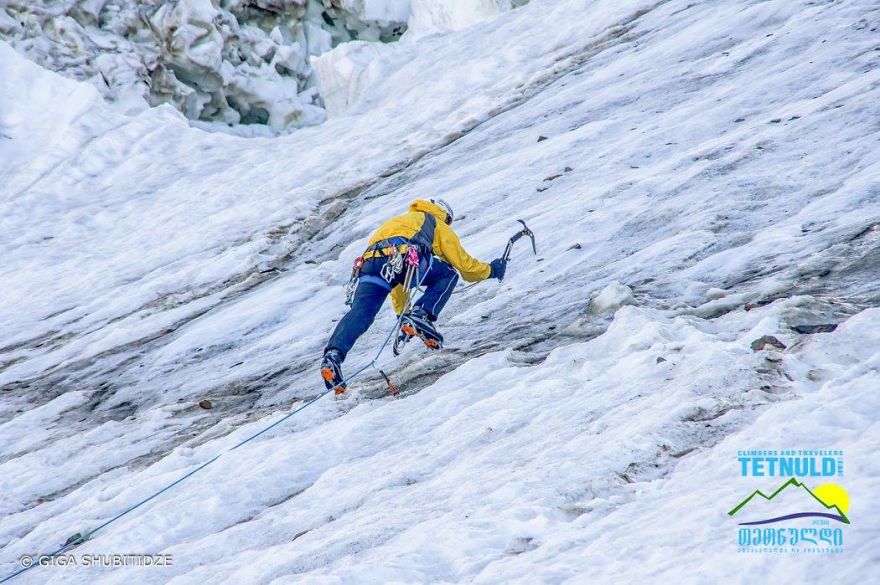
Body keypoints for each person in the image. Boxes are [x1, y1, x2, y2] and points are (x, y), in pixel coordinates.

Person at [321, 198, 506, 393]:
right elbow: (465, 266)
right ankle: (422, 314)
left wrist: (403, 315)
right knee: (448, 274)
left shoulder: (397, 222)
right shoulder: (435, 222)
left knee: (361, 313)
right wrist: (492, 270)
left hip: (370, 265)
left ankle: (333, 356)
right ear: (444, 215)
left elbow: (399, 281)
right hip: (404, 258)